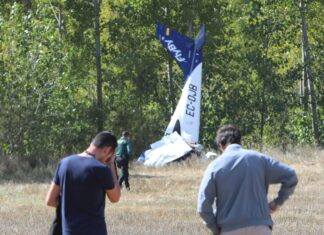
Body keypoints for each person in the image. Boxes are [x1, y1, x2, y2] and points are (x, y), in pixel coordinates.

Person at [197, 125, 298, 235]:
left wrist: (215, 228)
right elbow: (291, 176)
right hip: (261, 228)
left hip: (229, 230)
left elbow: (203, 207)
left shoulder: (214, 167)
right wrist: (278, 201)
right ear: (240, 141)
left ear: (221, 145)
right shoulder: (260, 159)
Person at [46, 131, 121, 235]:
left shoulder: (65, 163)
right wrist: (111, 163)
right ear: (107, 150)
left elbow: (50, 200)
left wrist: (71, 206)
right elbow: (115, 198)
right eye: (110, 155)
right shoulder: (102, 169)